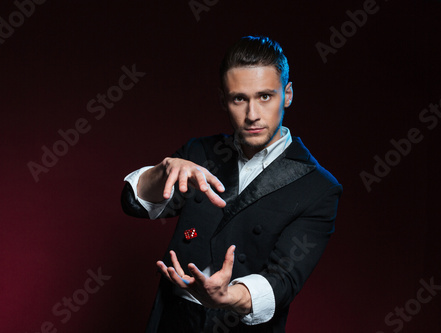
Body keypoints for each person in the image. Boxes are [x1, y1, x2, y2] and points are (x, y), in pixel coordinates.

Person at [121, 36, 342, 332]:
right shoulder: (199, 153)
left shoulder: (317, 187)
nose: (252, 115)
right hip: (172, 320)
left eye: (265, 96)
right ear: (224, 99)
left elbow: (284, 279)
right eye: (239, 98)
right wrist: (163, 170)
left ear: (287, 94)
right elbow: (133, 204)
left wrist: (227, 296)